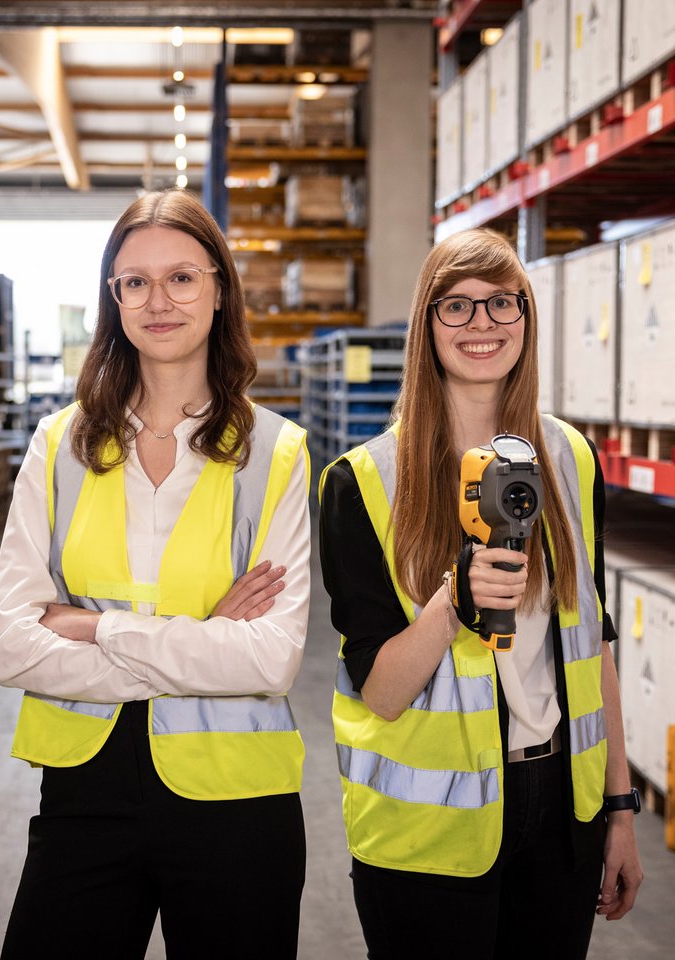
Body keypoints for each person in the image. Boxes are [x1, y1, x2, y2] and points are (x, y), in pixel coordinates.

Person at [0, 189, 311, 959]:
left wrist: (96, 625)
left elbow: (272, 659)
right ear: (114, 298)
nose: (157, 300)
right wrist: (201, 644)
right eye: (134, 281)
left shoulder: (277, 452)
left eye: (181, 278)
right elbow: (9, 645)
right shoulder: (59, 444)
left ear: (219, 288)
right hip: (84, 793)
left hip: (240, 800)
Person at [319, 228, 643, 960]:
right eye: (456, 306)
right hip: (430, 832)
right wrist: (452, 600)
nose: (483, 324)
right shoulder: (361, 482)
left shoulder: (569, 458)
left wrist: (618, 812)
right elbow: (380, 692)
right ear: (425, 325)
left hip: (562, 809)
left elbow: (595, 645)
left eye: (503, 303)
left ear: (527, 317)